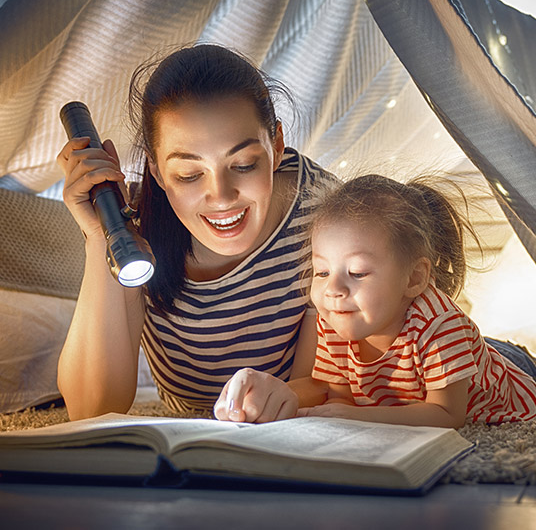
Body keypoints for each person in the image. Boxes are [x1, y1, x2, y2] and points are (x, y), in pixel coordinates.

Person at [56, 44, 334, 420]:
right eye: (188, 174)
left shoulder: (324, 213)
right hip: (188, 435)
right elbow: (93, 409)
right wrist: (98, 235)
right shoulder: (136, 226)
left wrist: (286, 397)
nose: (221, 197)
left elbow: (327, 385)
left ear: (277, 146)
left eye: (245, 164)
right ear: (155, 170)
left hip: (286, 423)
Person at [214, 174, 536, 427]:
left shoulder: (440, 324)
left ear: (413, 278)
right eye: (322, 271)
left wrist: (357, 418)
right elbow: (339, 396)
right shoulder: (336, 318)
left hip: (512, 374)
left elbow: (448, 416)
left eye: (357, 272)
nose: (333, 289)